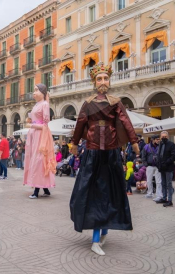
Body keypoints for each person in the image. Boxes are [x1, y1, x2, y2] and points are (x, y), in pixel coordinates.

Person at [69, 62, 139, 256]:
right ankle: (95, 237)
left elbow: (126, 121)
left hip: (111, 152)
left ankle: (104, 229)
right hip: (92, 153)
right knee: (93, 193)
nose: (103, 82)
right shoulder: (88, 102)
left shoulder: (116, 101)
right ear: (94, 81)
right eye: (99, 78)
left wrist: (133, 141)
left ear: (109, 80)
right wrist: (74, 144)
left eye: (105, 78)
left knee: (111, 191)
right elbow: (80, 123)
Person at [23, 84, 56, 199]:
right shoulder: (37, 104)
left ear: (43, 92)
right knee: (36, 160)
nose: (34, 93)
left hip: (41, 136)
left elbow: (45, 125)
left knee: (39, 160)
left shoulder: (45, 104)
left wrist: (30, 125)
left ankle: (37, 190)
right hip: (34, 135)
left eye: (36, 90)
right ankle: (45, 188)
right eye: (34, 90)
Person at [157, 131, 175, 207]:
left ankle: (170, 200)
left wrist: (167, 162)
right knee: (163, 183)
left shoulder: (171, 144)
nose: (164, 138)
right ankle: (164, 198)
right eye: (162, 137)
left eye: (165, 137)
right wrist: (158, 163)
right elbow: (159, 154)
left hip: (168, 167)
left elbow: (174, 155)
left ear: (168, 137)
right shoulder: (160, 144)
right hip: (162, 167)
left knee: (169, 184)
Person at [141, 134, 163, 200]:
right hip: (149, 165)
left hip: (158, 166)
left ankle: (159, 195)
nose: (158, 140)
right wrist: (146, 164)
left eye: (159, 139)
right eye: (157, 139)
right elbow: (143, 156)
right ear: (152, 140)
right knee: (149, 180)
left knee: (159, 181)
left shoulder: (161, 146)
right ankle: (149, 193)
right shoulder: (146, 147)